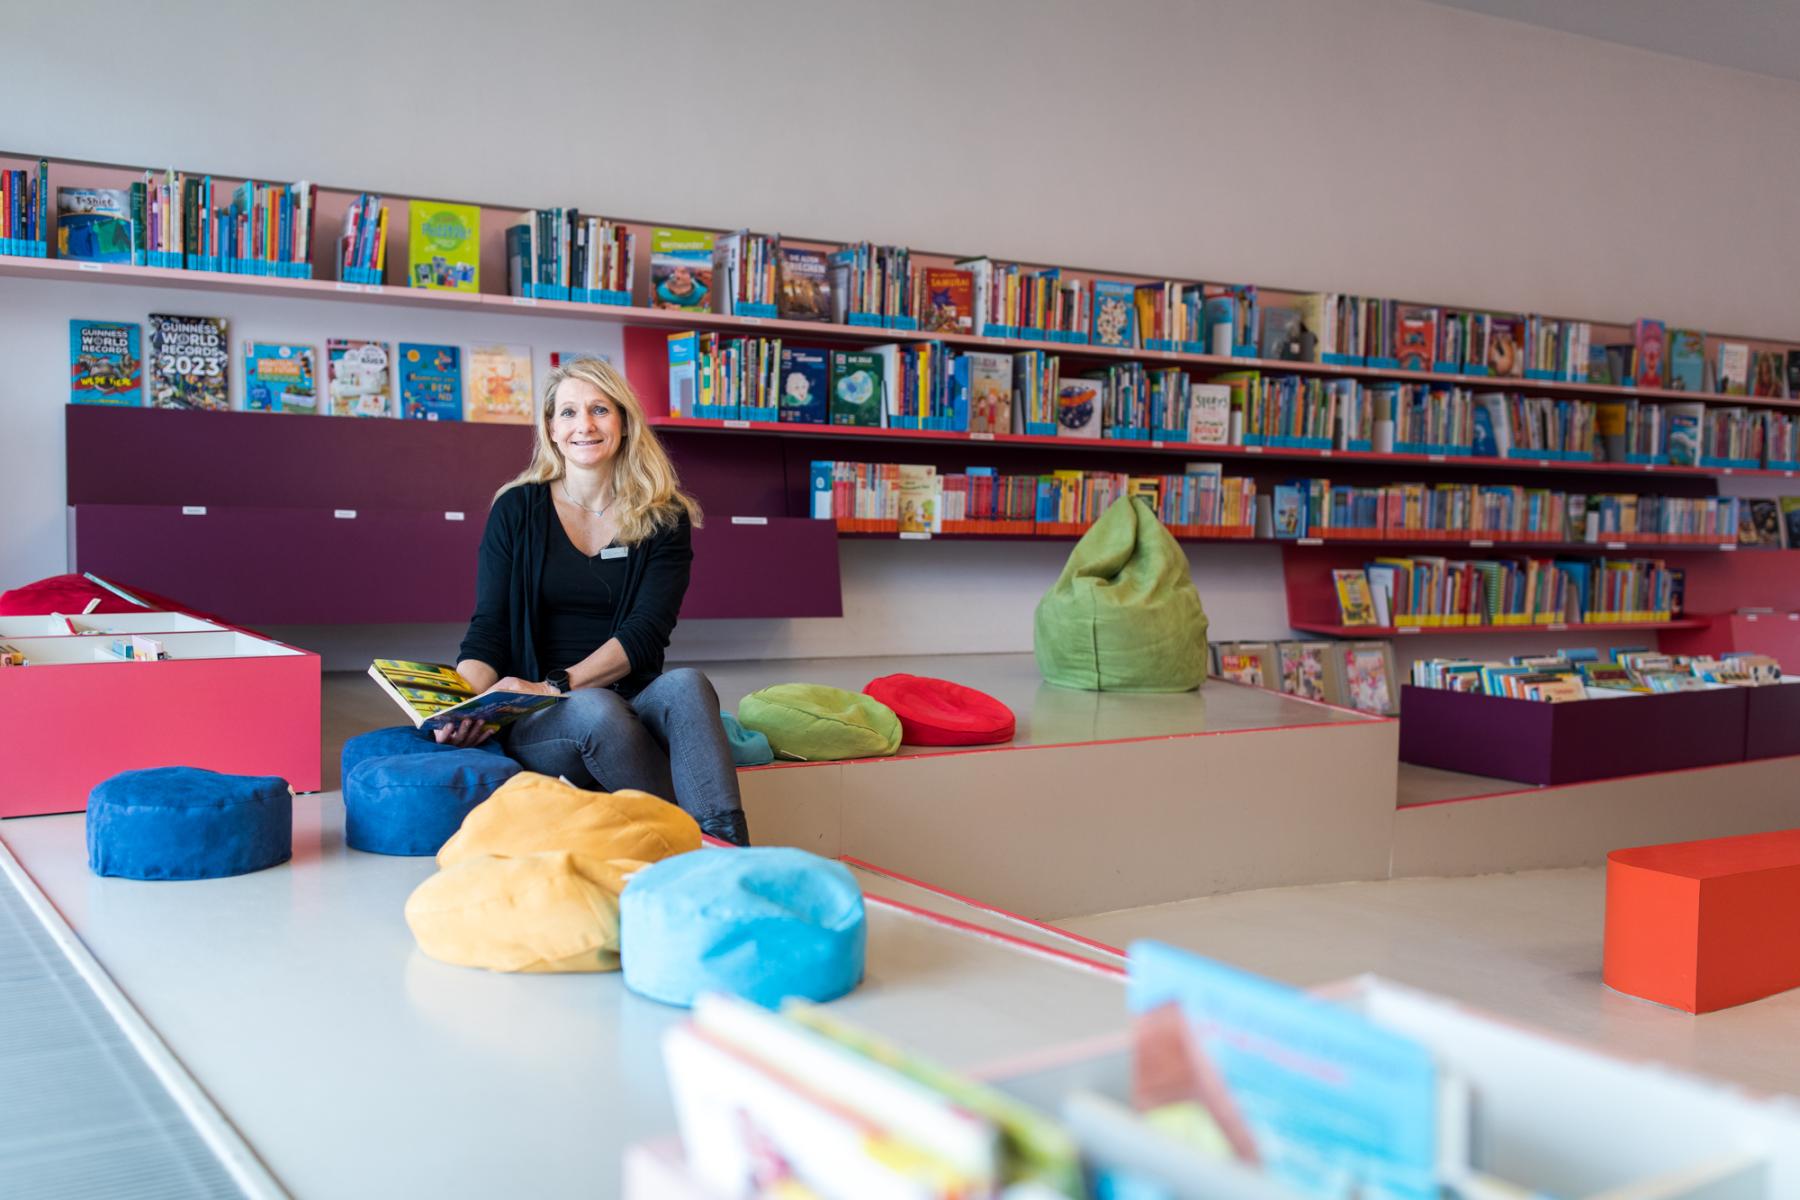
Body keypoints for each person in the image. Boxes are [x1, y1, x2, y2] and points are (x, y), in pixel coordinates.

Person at [438, 357, 750, 846]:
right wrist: (456, 705)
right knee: (594, 709)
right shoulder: (516, 510)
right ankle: (689, 847)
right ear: (551, 429)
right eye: (567, 413)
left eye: (600, 410)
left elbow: (646, 632)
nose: (583, 425)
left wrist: (555, 683)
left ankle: (731, 852)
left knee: (688, 684)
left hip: (624, 696)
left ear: (624, 423)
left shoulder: (663, 516)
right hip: (542, 718)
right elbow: (489, 629)